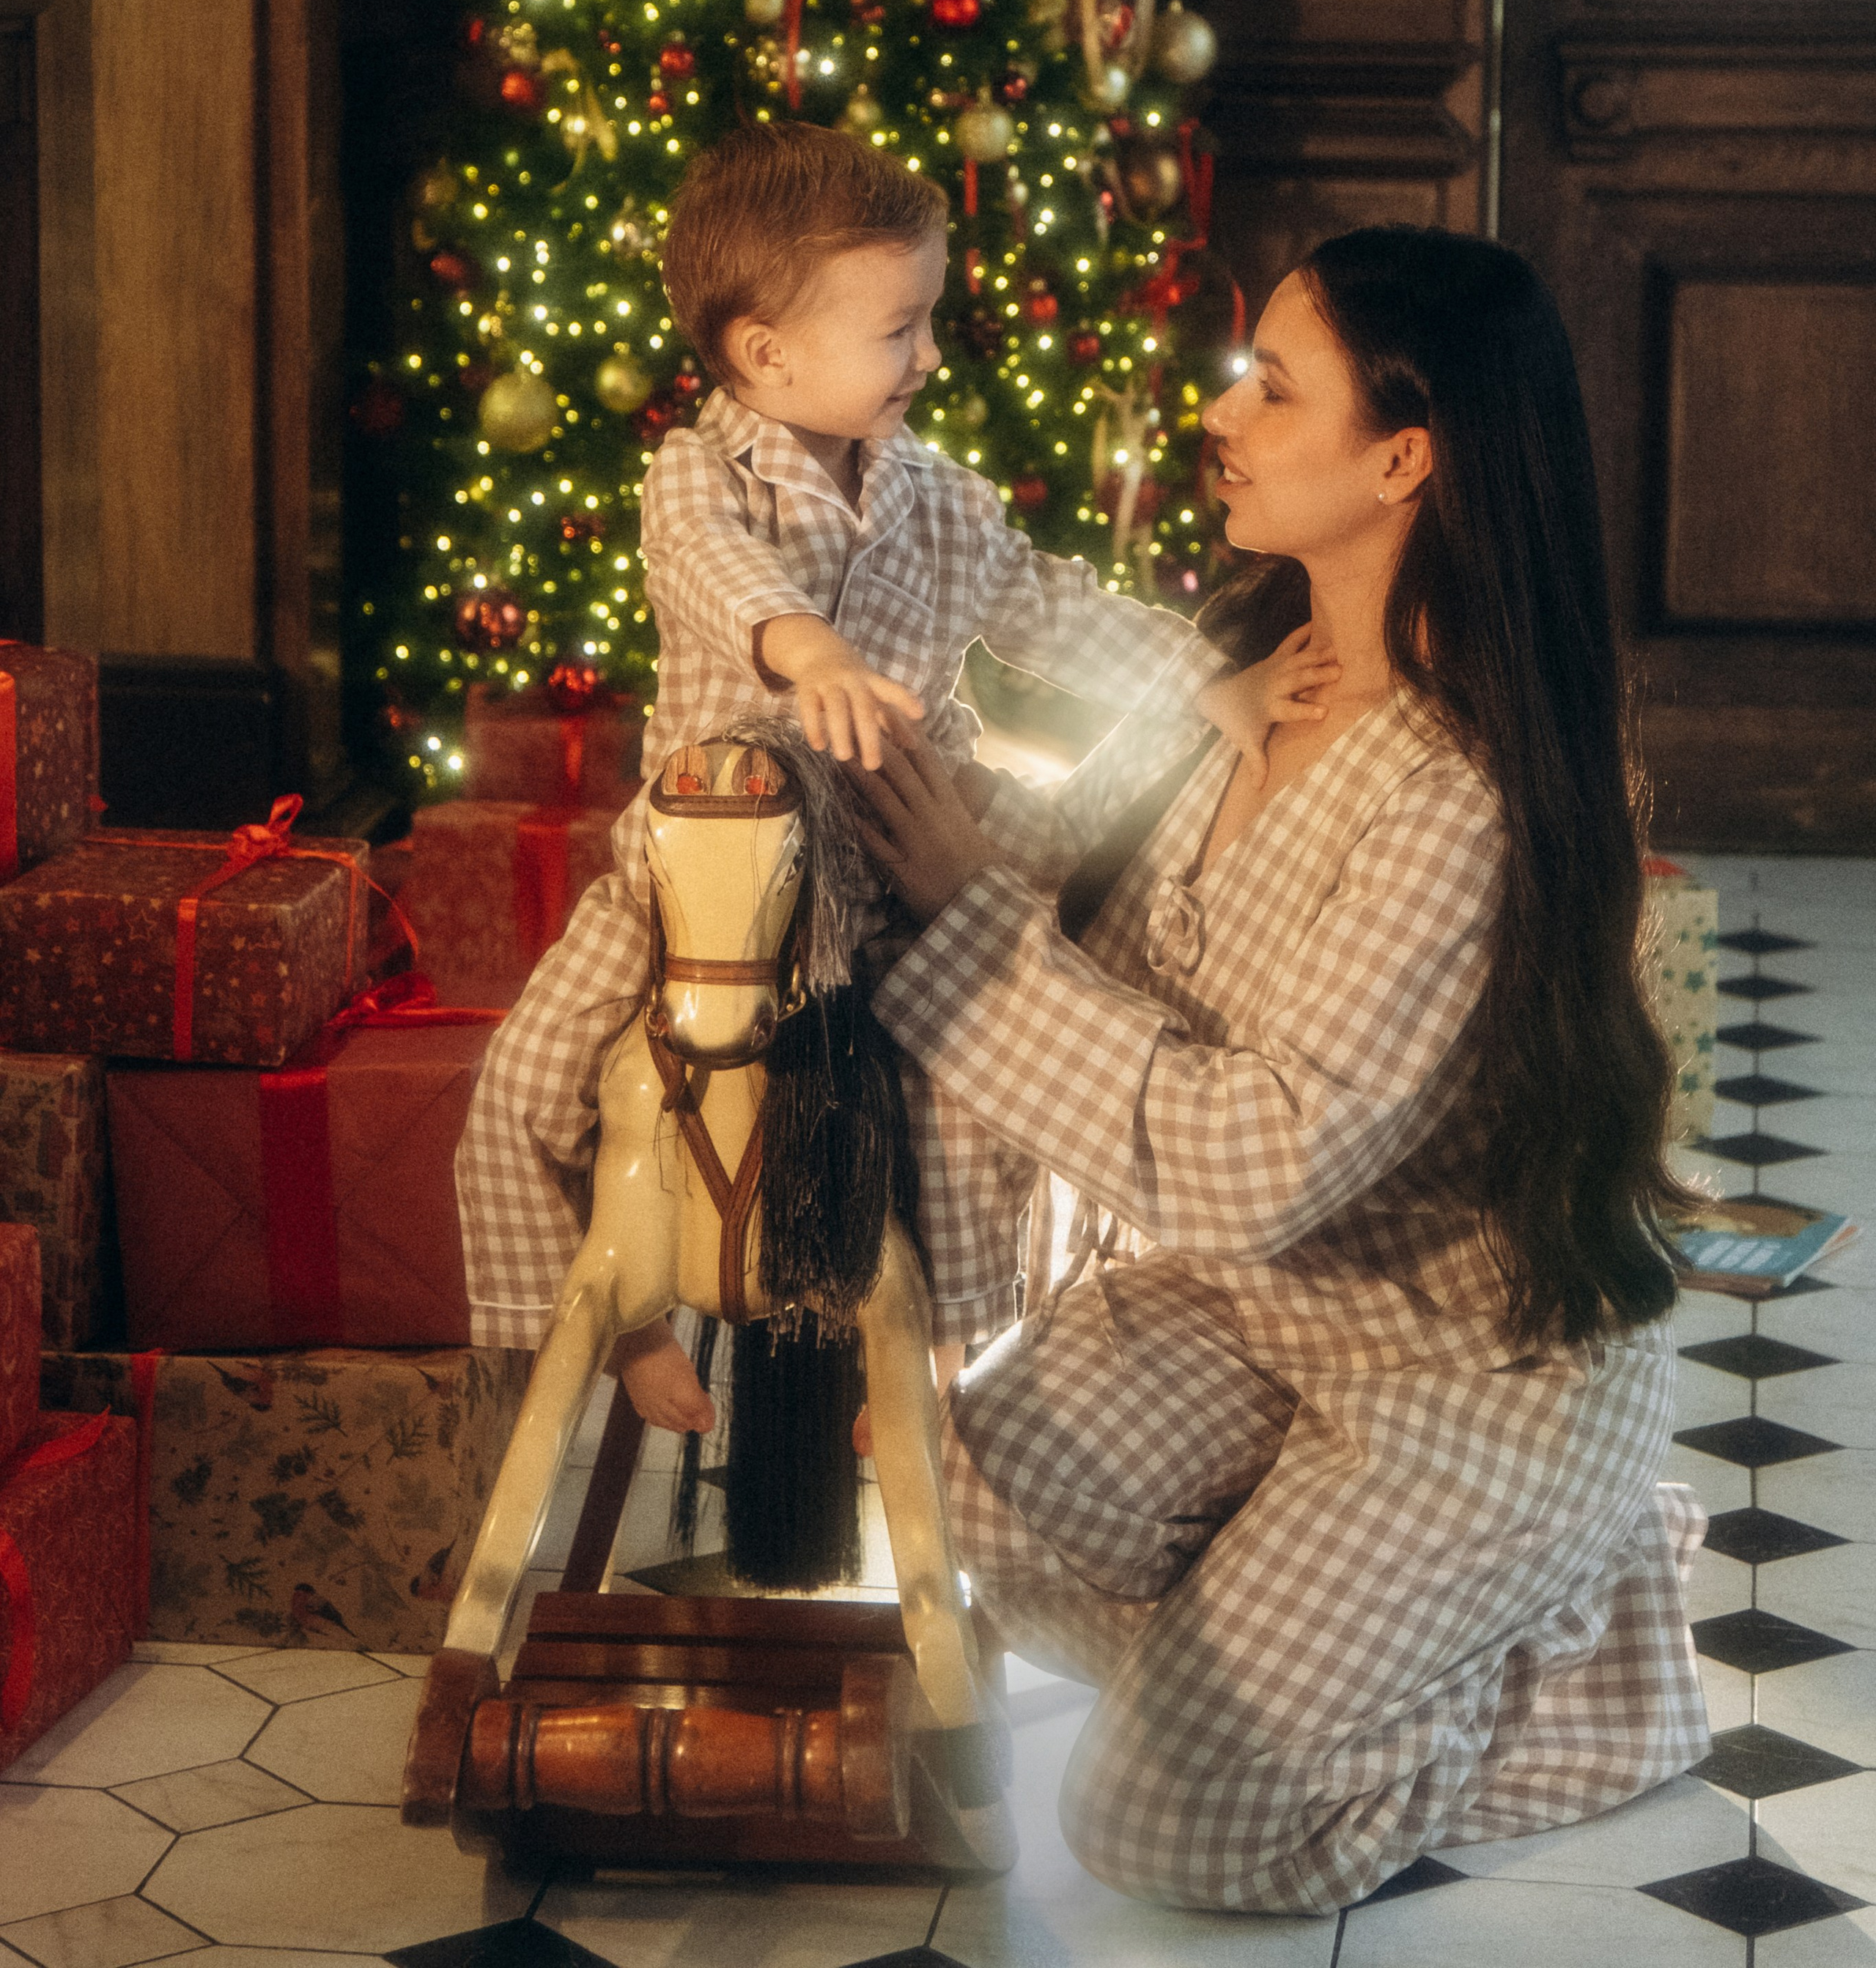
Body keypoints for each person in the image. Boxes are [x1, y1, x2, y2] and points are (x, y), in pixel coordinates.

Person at [849, 224, 1710, 1915]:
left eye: (1272, 384)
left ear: (1402, 457)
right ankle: (1328, 1626)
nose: (1222, 412)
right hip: (1260, 1322)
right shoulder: (1249, 680)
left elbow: (1247, 1164)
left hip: (1468, 1390)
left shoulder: (1454, 790)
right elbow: (1088, 932)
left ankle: (1565, 1633)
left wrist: (960, 918)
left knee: (1164, 1830)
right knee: (972, 1504)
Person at [454, 121, 1246, 1427]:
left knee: (969, 1106)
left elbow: (1047, 603)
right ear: (767, 352)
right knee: (525, 1085)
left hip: (888, 877)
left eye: (929, 320)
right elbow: (721, 579)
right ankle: (620, 1320)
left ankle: (940, 1354)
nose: (930, 356)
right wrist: (806, 648)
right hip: (701, 886)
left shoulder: (938, 500)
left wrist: (1203, 674)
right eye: (901, 328)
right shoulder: (698, 480)